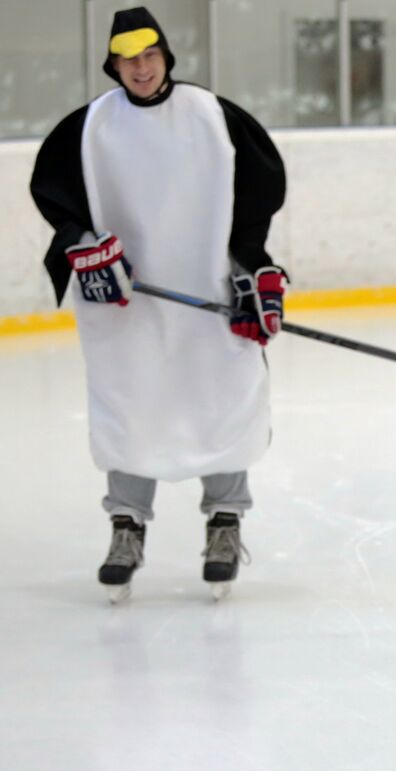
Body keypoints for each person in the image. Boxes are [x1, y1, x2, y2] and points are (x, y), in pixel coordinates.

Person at [29, 6, 287, 602]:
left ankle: (224, 522)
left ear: (166, 57)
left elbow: (260, 189)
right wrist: (80, 246)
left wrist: (250, 264)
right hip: (127, 302)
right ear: (113, 66)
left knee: (219, 396)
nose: (140, 69)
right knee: (129, 401)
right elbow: (55, 198)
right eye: (127, 60)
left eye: (149, 56)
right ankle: (126, 528)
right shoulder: (91, 126)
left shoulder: (212, 115)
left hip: (207, 290)